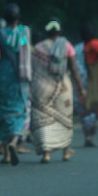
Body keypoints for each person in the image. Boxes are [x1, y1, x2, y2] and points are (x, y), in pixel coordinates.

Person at [30, 19, 86, 163]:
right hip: (63, 89)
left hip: (42, 89)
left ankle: (46, 153)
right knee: (65, 120)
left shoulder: (37, 48)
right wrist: (80, 88)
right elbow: (74, 69)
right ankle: (66, 151)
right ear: (60, 32)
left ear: (47, 32)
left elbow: (32, 70)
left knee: (43, 121)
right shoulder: (66, 46)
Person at [0, 3, 31, 165]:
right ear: (18, 18)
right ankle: (14, 142)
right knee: (19, 110)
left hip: (3, 75)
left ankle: (6, 153)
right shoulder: (24, 32)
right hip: (20, 76)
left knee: (2, 111)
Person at [80, 23, 98, 146]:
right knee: (92, 109)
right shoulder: (95, 44)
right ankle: (89, 135)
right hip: (92, 79)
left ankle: (87, 136)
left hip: (81, 80)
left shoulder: (79, 47)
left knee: (85, 110)